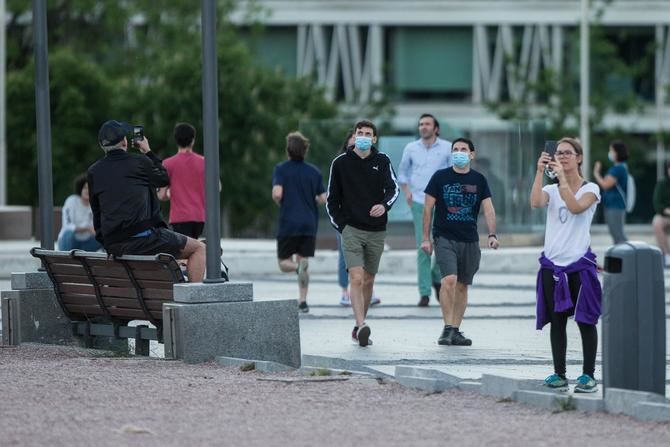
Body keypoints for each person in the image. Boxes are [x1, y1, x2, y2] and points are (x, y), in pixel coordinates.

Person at [88, 120, 206, 282]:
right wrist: (147, 151)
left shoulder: (94, 171)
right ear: (124, 142)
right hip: (145, 241)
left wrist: (108, 245)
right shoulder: (139, 162)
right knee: (199, 249)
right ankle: (192, 304)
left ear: (102, 146)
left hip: (115, 245)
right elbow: (163, 179)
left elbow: (97, 213)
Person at [530, 137, 602, 393]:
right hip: (552, 266)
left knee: (585, 321)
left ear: (579, 158)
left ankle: (588, 375)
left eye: (568, 153)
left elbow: (575, 207)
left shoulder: (591, 189)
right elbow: (536, 202)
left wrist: (561, 180)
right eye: (558, 153)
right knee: (557, 320)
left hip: (579, 266)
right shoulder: (551, 189)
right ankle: (559, 373)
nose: (561, 156)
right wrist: (540, 172)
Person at [327, 119, 399, 347]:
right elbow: (332, 200)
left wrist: (384, 205)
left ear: (374, 138)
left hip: (377, 230)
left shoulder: (383, 161)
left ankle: (359, 325)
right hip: (351, 230)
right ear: (355, 135)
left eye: (368, 133)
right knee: (356, 278)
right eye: (360, 132)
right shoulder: (340, 163)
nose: (363, 136)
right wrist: (342, 227)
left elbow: (393, 189)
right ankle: (362, 324)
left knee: (368, 279)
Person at [421, 137, 499, 347]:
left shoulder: (479, 180)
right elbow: (428, 208)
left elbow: (488, 208)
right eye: (455, 149)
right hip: (444, 236)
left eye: (463, 149)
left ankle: (455, 329)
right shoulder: (440, 177)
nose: (459, 152)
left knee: (463, 286)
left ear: (471, 154)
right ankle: (447, 328)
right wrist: (425, 239)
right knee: (449, 280)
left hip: (470, 239)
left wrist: (492, 234)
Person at [398, 114, 452, 307]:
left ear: (436, 128)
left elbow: (453, 173)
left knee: (442, 246)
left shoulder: (447, 147)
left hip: (443, 203)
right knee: (423, 247)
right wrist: (407, 193)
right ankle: (424, 292)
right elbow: (402, 173)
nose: (423, 127)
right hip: (420, 202)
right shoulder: (411, 148)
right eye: (421, 124)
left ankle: (436, 277)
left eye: (427, 124)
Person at [272, 131, 327, 313]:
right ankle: (303, 301)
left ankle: (296, 268)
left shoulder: (281, 169)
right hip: (309, 223)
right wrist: (313, 200)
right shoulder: (314, 172)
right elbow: (323, 197)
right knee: (304, 262)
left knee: (283, 263)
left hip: (289, 223)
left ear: (288, 150)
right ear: (305, 151)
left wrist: (280, 201)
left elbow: (277, 193)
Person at [335, 130, 381, 308]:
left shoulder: (374, 162)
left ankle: (368, 289)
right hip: (345, 219)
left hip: (367, 220)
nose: (358, 141)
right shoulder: (339, 164)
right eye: (354, 138)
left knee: (367, 256)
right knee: (345, 255)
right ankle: (345, 291)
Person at [158, 123, 205, 239]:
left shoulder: (168, 164)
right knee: (195, 248)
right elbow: (217, 188)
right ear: (193, 140)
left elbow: (162, 195)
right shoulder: (204, 162)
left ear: (176, 140)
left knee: (183, 251)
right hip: (199, 216)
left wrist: (172, 192)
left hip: (179, 217)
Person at [593, 140, 629, 244]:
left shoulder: (618, 169)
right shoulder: (620, 167)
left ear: (617, 152)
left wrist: (596, 173)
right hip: (612, 205)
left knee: (618, 235)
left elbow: (605, 184)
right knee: (616, 234)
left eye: (611, 150)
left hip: (616, 206)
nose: (610, 153)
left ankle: (626, 257)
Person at [56, 173, 102, 252]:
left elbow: (96, 228)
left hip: (86, 243)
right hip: (68, 242)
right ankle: (67, 259)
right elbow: (68, 226)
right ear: (80, 189)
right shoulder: (71, 201)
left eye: (90, 189)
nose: (87, 191)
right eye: (85, 188)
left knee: (103, 237)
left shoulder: (96, 205)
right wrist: (87, 229)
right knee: (69, 234)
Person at [652, 161, 670, 267]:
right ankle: (667, 256)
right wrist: (666, 210)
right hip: (664, 215)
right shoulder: (662, 184)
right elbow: (657, 204)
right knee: (657, 222)